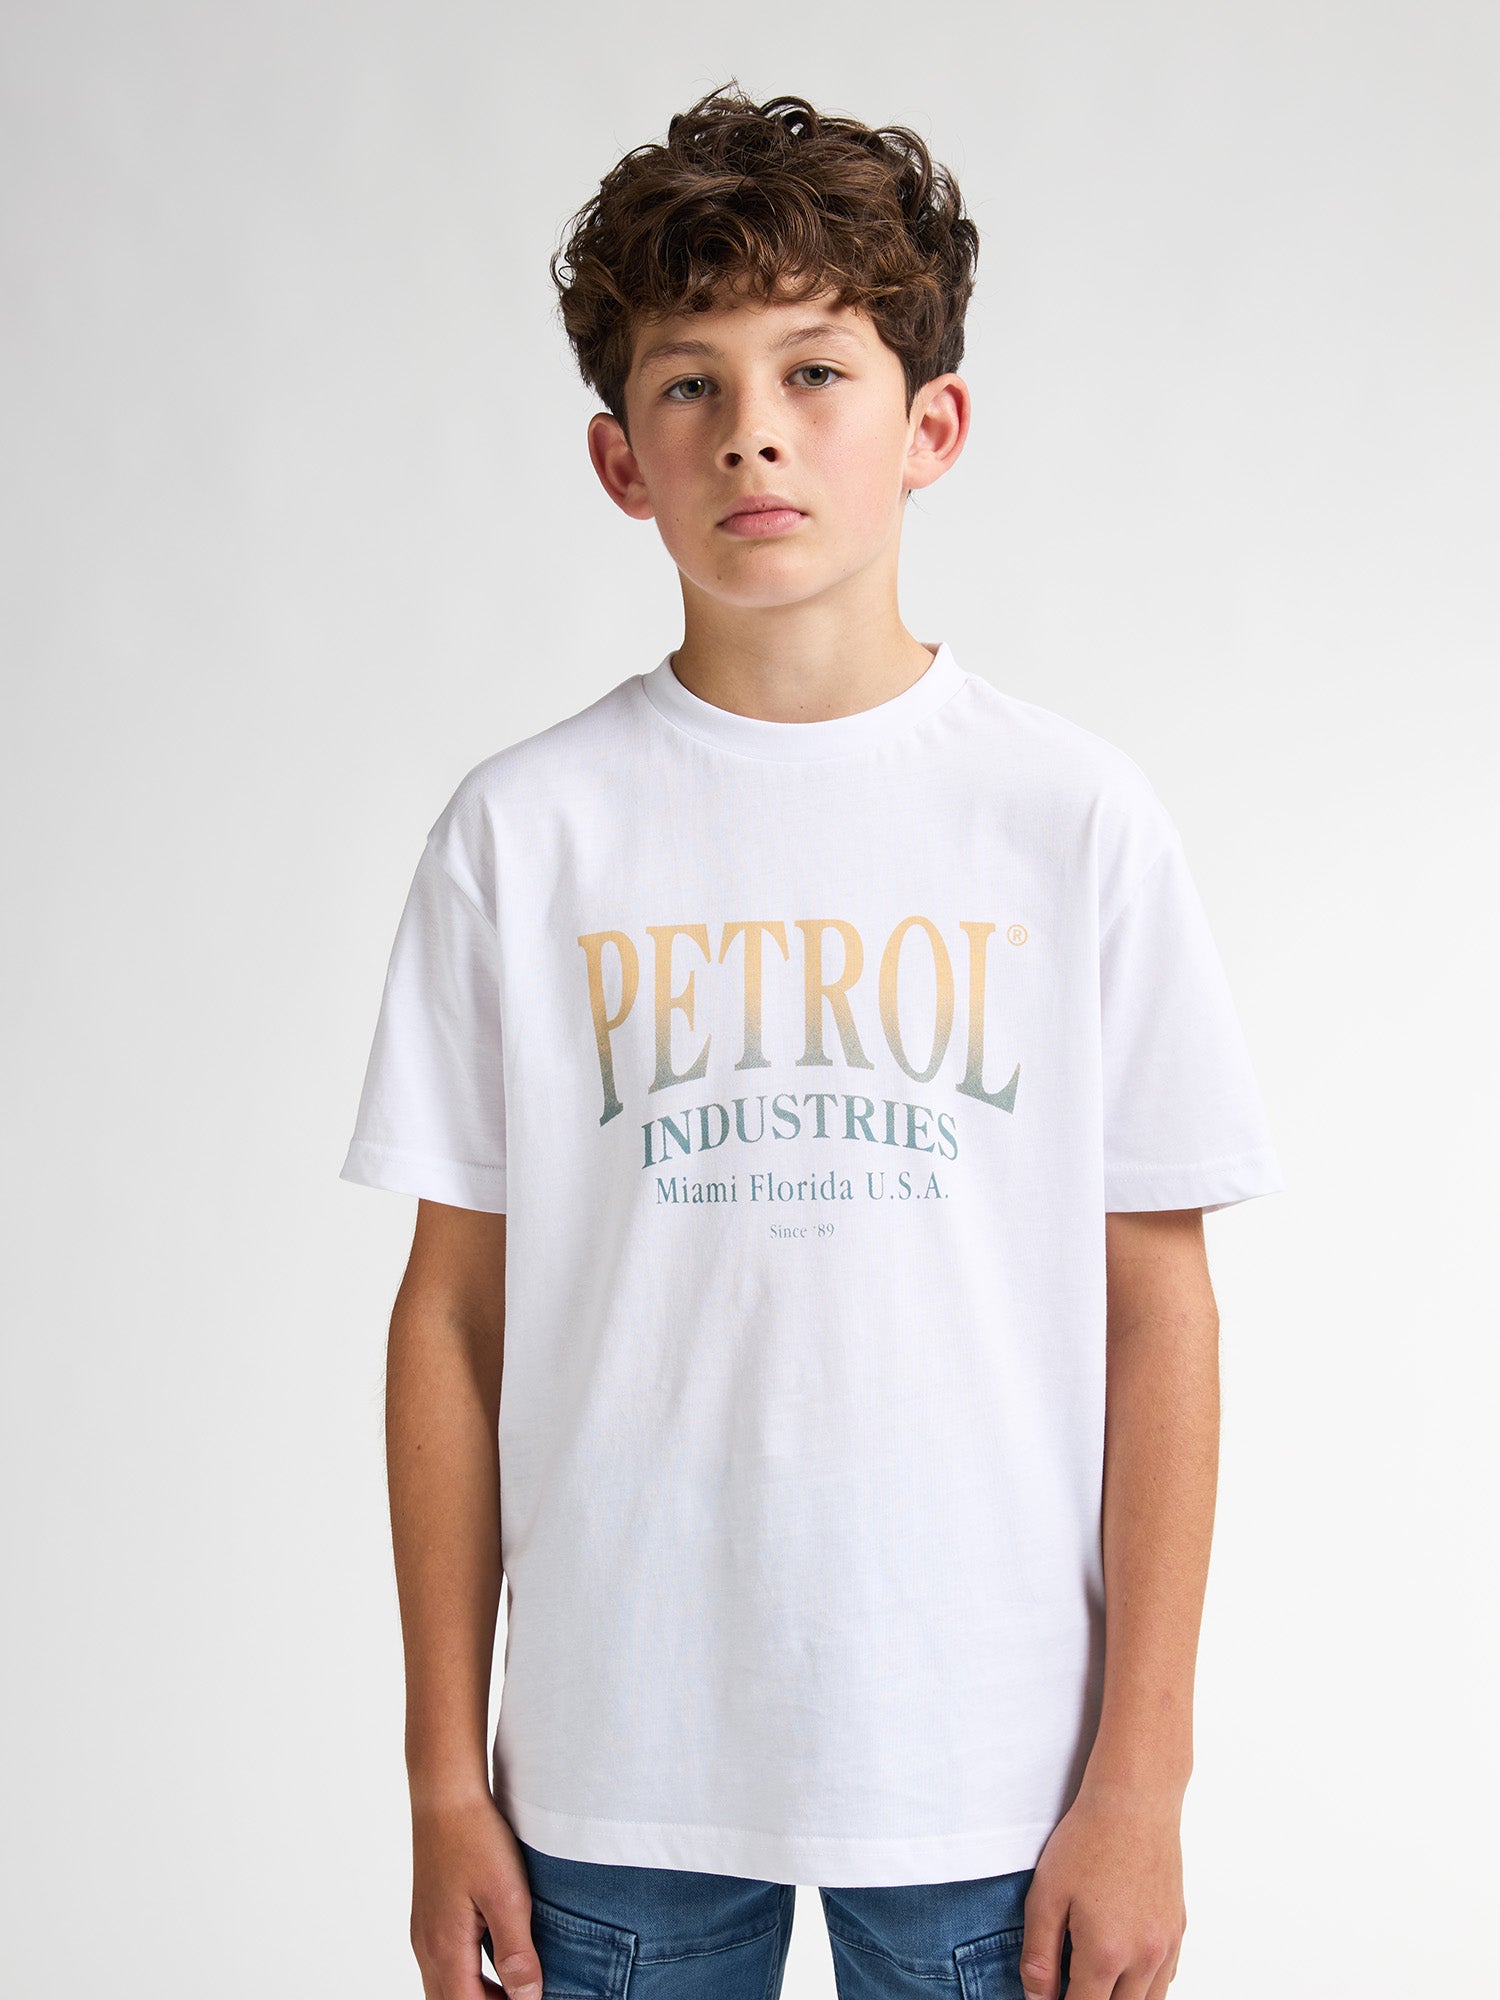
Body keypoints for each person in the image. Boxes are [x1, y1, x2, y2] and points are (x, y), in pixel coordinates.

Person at [338, 81, 1284, 2000]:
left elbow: (1159, 1310)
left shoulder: (1071, 821)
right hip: (613, 1768)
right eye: (689, 384)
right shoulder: (526, 834)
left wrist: (1145, 1779)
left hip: (992, 1771)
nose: (751, 429)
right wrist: (443, 1780)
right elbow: (453, 1314)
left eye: (815, 371)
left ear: (932, 426)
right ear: (620, 460)